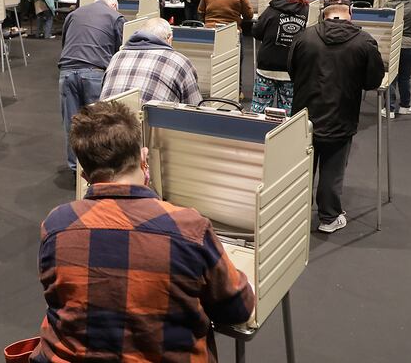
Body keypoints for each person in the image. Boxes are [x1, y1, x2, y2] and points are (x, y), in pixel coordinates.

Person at [30, 101, 255, 362]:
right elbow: (239, 309)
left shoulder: (57, 225)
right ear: (144, 159)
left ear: (84, 175)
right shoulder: (189, 228)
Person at [288, 0, 385, 233]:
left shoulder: (304, 38)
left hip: (304, 115)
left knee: (301, 168)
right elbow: (373, 80)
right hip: (341, 115)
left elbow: (292, 71)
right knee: (332, 170)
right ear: (350, 12)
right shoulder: (365, 42)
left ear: (323, 12)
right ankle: (329, 218)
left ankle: (294, 219)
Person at [57, 0, 125, 170]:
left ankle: (75, 170)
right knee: (97, 125)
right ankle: (95, 170)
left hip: (66, 72)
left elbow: (65, 43)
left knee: (73, 125)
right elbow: (119, 52)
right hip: (94, 72)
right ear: (114, 6)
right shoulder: (116, 17)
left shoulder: (73, 14)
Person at [101, 17, 203, 105]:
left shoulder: (117, 56)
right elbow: (194, 108)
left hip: (104, 123)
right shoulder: (179, 61)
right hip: (143, 126)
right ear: (169, 38)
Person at [250, 0, 310, 114]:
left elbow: (256, 32)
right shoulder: (305, 9)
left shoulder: (271, 10)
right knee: (288, 112)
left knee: (260, 110)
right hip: (292, 68)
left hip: (267, 66)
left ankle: (258, 133)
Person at [198, 0, 253, 95]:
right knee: (236, 62)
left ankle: (211, 90)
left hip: (210, 32)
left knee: (212, 62)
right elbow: (249, 15)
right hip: (232, 32)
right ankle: (236, 92)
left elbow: (200, 11)